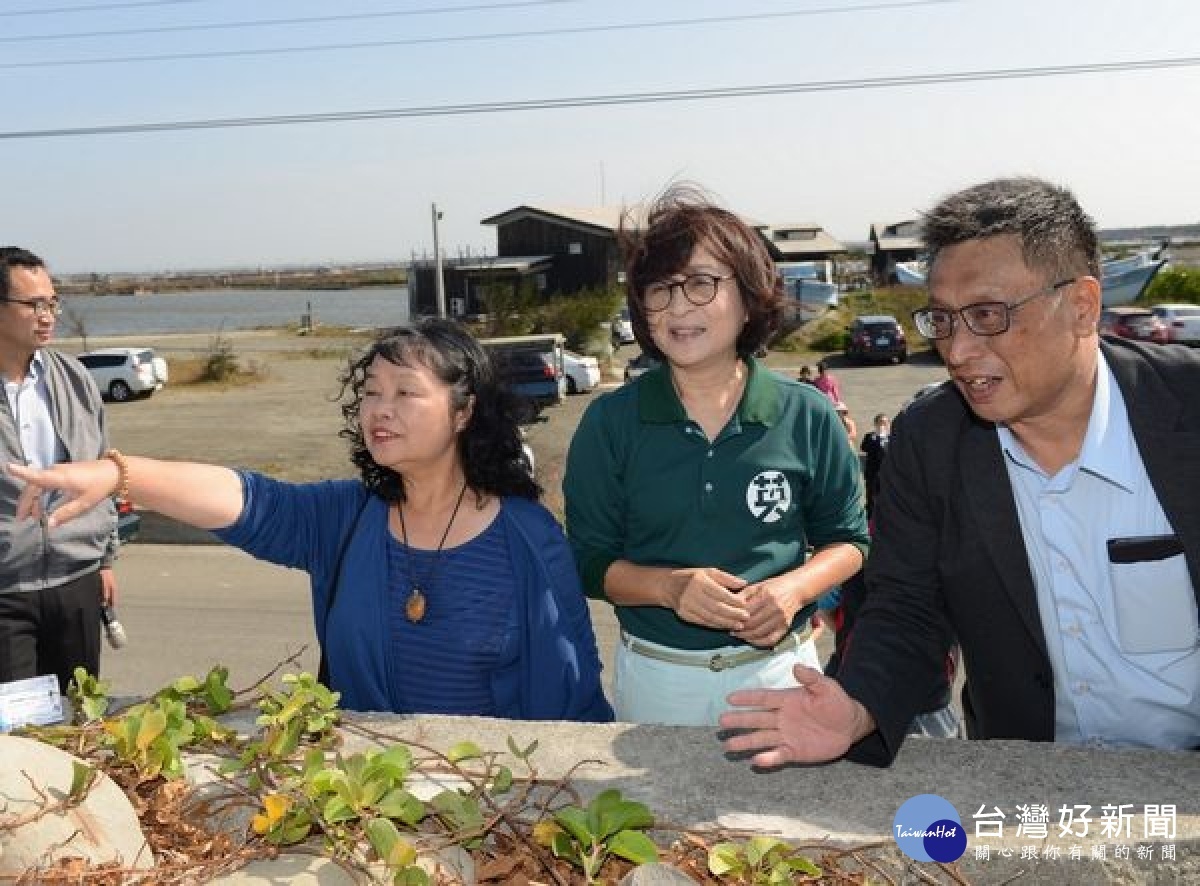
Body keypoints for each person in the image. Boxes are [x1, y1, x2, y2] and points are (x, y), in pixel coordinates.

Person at [722, 176, 1200, 765]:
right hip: (1031, 783)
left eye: (988, 315)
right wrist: (858, 705)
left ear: (1082, 306)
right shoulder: (930, 440)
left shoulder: (1188, 407)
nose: (960, 350)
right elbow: (906, 607)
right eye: (943, 320)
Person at [9, 320, 613, 722]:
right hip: (377, 806)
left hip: (494, 804)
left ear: (464, 411)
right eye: (372, 392)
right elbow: (247, 500)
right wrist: (122, 474)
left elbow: (575, 695)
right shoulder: (347, 518)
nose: (381, 409)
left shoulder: (528, 537)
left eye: (407, 393)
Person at [564, 187, 869, 726]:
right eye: (660, 289)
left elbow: (848, 541)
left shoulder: (808, 414)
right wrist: (667, 587)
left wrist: (794, 588)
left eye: (702, 284)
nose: (679, 306)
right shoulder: (609, 423)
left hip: (779, 671)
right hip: (658, 677)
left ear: (750, 294)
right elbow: (589, 563)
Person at [0, 247, 120, 694]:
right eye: (32, 304)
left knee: (77, 723)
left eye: (51, 303)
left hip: (77, 580)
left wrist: (105, 559)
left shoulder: (74, 378)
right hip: (7, 591)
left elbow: (102, 468)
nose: (47, 315)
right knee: (17, 734)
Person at [859, 413, 890, 518]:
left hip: (886, 473)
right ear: (875, 424)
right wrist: (875, 439)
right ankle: (870, 518)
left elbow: (894, 452)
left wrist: (884, 441)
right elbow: (863, 448)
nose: (882, 425)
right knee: (871, 495)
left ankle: (885, 516)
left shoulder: (891, 437)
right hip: (872, 472)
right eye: (880, 422)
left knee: (886, 495)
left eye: (885, 423)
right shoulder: (869, 436)